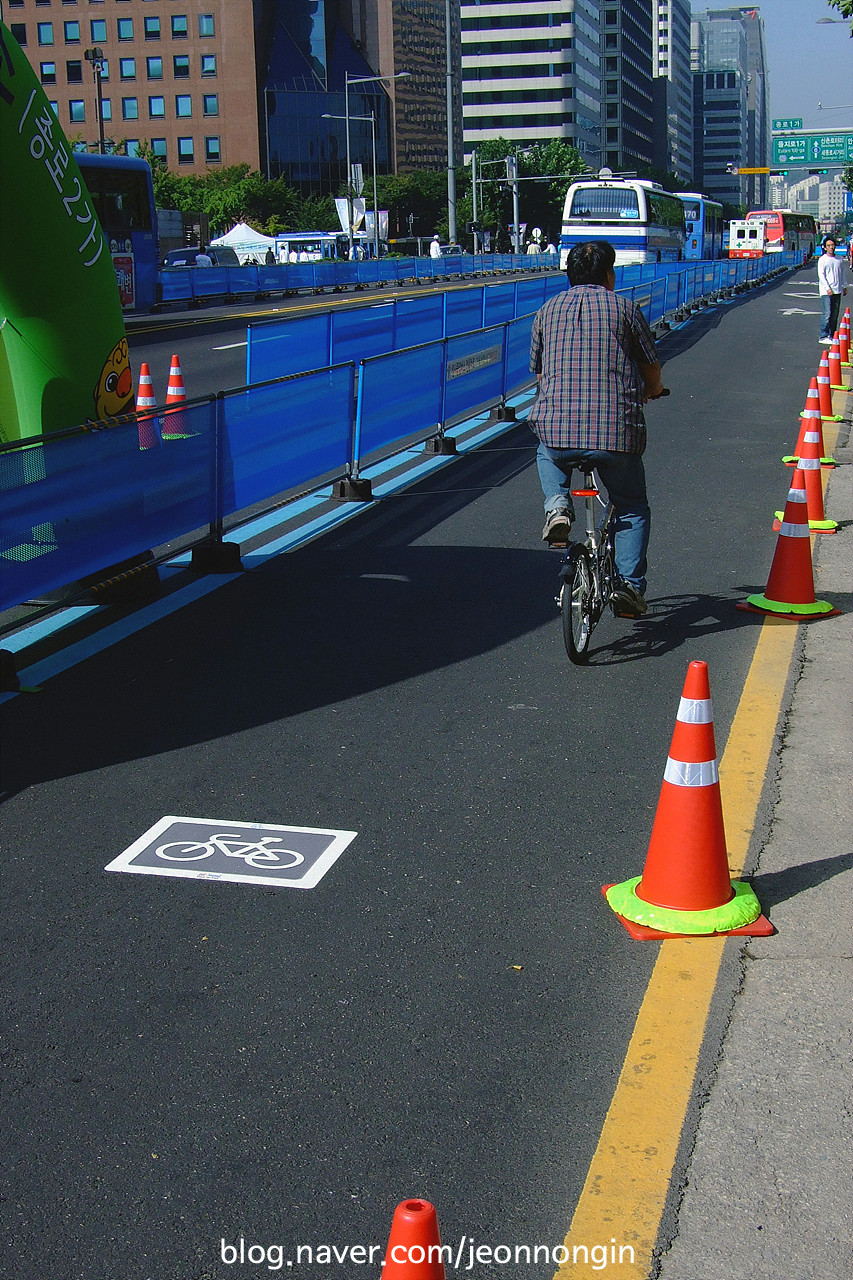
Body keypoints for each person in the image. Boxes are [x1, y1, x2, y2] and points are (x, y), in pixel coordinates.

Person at [528, 239, 666, 618]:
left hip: (557, 428)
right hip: (615, 433)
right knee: (632, 505)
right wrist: (653, 390)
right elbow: (650, 364)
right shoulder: (625, 309)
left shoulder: (546, 311)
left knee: (546, 451)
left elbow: (539, 372)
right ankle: (629, 588)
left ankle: (558, 507)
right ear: (609, 275)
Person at [817, 238, 848, 345]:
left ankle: (832, 335)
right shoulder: (822, 259)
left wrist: (844, 286)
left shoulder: (839, 259)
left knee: (835, 314)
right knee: (827, 313)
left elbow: (842, 273)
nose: (831, 247)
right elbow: (821, 275)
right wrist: (827, 288)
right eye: (829, 245)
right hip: (826, 291)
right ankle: (823, 335)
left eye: (833, 245)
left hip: (837, 289)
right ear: (825, 247)